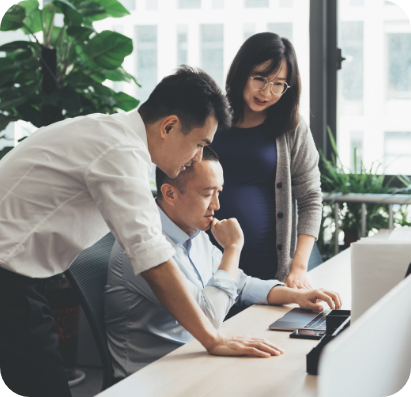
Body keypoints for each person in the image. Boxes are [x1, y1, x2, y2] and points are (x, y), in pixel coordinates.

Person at [0, 67, 281, 397]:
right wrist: (213, 338)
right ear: (169, 126)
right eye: (199, 144)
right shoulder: (120, 153)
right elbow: (154, 261)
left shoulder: (114, 136)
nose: (198, 158)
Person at [104, 146, 341, 378]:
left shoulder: (194, 234)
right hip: (154, 376)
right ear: (170, 194)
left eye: (219, 192)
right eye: (207, 194)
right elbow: (208, 317)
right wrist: (232, 248)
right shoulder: (143, 247)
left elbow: (238, 283)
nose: (216, 205)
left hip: (197, 359)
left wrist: (296, 296)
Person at [209, 32, 322, 291]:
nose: (266, 92)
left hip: (270, 270)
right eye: (259, 78)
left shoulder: (292, 128)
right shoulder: (210, 118)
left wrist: (298, 268)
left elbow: (310, 199)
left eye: (278, 84)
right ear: (241, 72)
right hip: (209, 266)